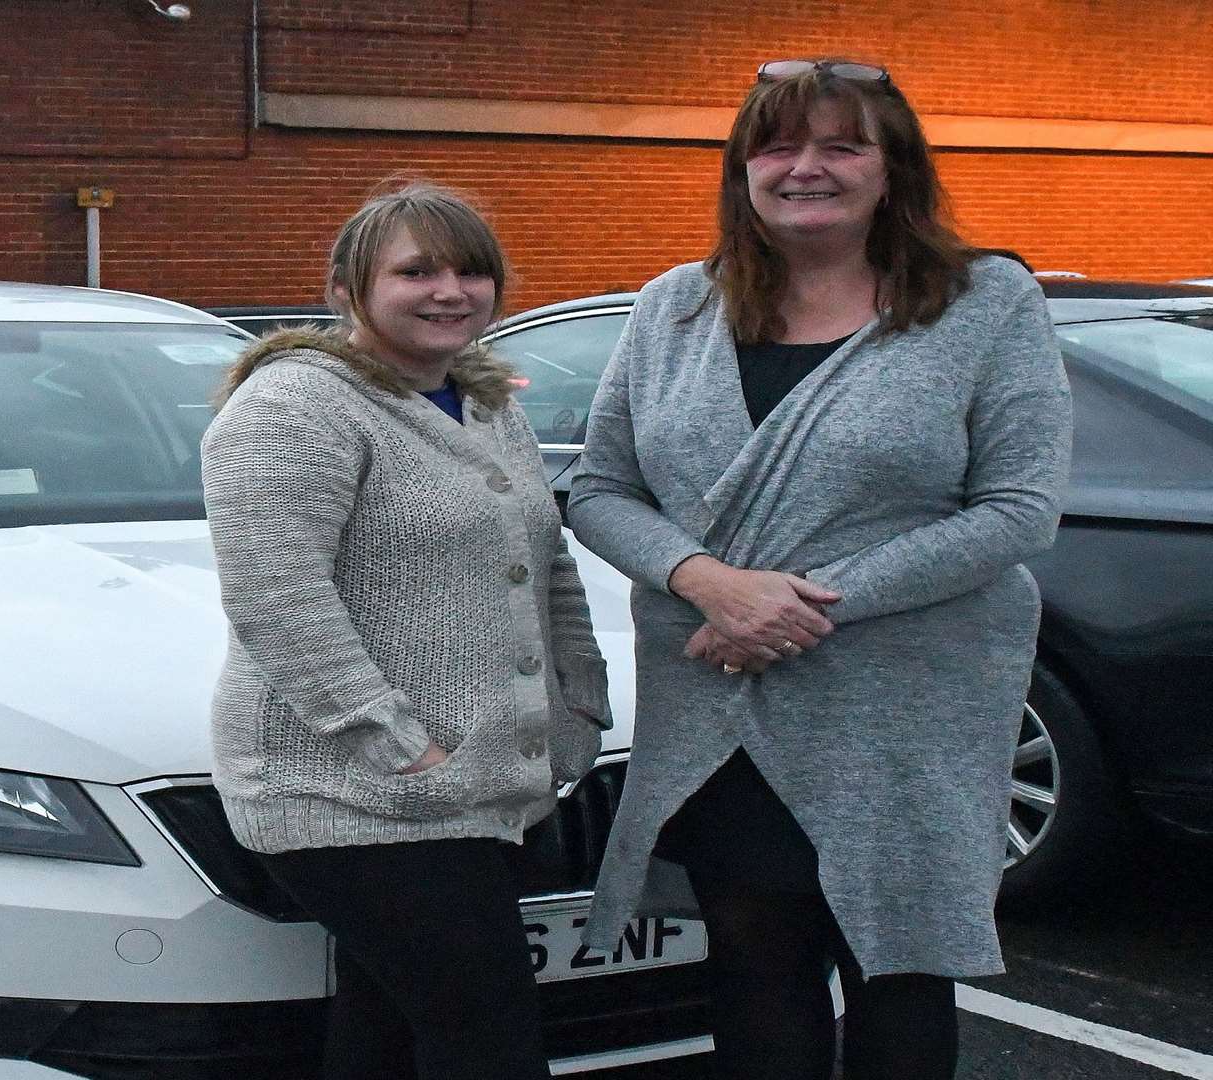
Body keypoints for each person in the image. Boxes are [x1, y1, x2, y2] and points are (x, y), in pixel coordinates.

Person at [564, 60, 1072, 1080]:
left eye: (842, 145)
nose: (807, 168)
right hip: (722, 706)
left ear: (894, 170)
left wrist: (794, 607)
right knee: (755, 962)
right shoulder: (673, 310)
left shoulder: (985, 304)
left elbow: (1017, 509)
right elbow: (599, 487)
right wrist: (711, 582)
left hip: (901, 711)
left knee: (897, 973)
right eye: (780, 146)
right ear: (743, 168)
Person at [201, 182, 611, 1080]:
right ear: (349, 288)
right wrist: (398, 744)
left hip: (471, 786)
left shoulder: (486, 403)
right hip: (345, 791)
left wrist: (578, 700)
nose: (450, 291)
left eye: (472, 271)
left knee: (385, 1028)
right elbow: (278, 597)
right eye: (417, 271)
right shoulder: (297, 406)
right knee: (488, 1038)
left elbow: (545, 561)